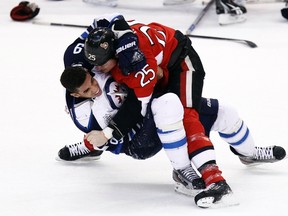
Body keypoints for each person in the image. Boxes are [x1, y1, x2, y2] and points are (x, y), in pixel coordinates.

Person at [58, 66, 286, 206]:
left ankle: (249, 153)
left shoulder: (99, 68)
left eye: (92, 83)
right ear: (75, 94)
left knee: (225, 111)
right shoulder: (83, 113)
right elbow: (117, 140)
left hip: (150, 107)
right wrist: (101, 139)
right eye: (87, 91)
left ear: (90, 73)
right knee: (168, 104)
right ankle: (181, 170)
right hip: (137, 141)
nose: (94, 89)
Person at [82, 14, 233, 208]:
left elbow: (137, 107)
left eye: (102, 63)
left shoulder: (137, 66)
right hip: (162, 63)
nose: (98, 68)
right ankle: (184, 169)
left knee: (187, 116)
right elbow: (112, 20)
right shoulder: (117, 34)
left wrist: (107, 133)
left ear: (115, 54)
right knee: (171, 111)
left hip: (182, 64)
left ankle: (217, 182)